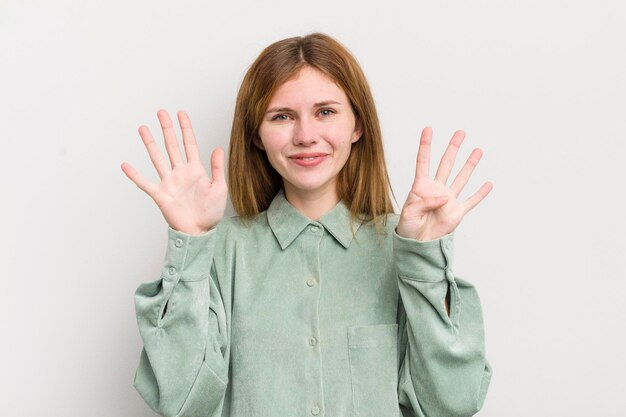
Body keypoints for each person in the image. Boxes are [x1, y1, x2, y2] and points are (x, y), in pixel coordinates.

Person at [121, 33, 493, 417]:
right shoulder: (223, 250)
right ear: (257, 137)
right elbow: (182, 400)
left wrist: (425, 262)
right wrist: (191, 243)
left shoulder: (404, 245)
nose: (305, 136)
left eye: (326, 112)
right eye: (282, 116)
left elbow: (453, 402)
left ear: (357, 125)